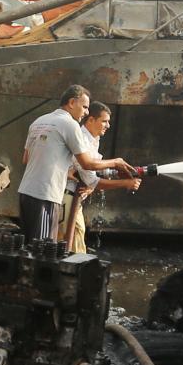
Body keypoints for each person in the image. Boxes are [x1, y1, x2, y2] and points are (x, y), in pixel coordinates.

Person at [18, 85, 137, 242]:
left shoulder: (39, 121)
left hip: (25, 192)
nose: (87, 112)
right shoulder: (69, 124)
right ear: (72, 103)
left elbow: (26, 159)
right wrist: (116, 162)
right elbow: (87, 164)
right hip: (45, 195)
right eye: (85, 107)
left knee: (27, 247)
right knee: (42, 251)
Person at [60, 103, 143, 253]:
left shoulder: (92, 139)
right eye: (104, 121)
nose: (108, 125)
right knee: (74, 249)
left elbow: (93, 172)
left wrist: (115, 171)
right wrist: (126, 183)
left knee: (66, 245)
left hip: (70, 200)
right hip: (67, 199)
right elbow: (93, 180)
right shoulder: (83, 140)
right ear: (91, 120)